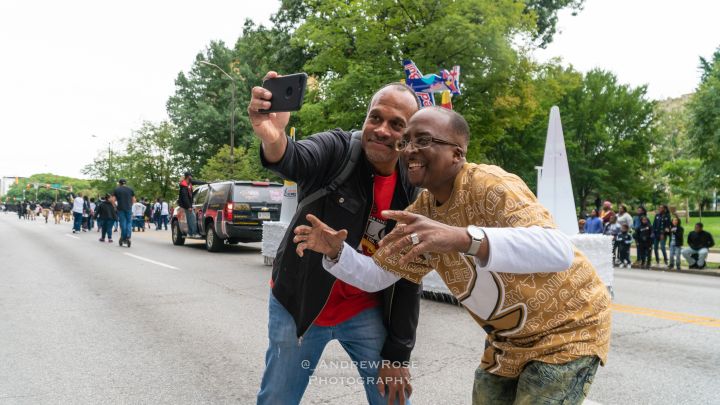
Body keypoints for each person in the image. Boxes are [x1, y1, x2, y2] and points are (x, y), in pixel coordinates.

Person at [294, 107, 611, 405]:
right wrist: (336, 251)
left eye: (423, 140)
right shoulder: (422, 212)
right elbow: (378, 275)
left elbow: (557, 250)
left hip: (569, 330)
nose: (409, 150)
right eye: (406, 142)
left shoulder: (490, 185)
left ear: (457, 154)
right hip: (508, 341)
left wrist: (462, 238)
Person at [250, 74, 422, 405]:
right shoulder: (338, 149)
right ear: (366, 117)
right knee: (277, 399)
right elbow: (295, 158)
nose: (382, 130)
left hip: (364, 309)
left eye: (396, 124)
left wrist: (398, 356)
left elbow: (408, 277)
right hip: (299, 303)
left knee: (393, 399)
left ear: (410, 135)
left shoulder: (413, 188)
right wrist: (273, 139)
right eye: (376, 117)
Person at [178, 172, 205, 237]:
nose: (192, 177)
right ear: (188, 177)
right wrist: (189, 207)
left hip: (188, 204)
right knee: (193, 218)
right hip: (186, 205)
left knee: (189, 218)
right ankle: (194, 233)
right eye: (191, 176)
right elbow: (185, 197)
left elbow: (197, 182)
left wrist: (206, 182)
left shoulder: (189, 183)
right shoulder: (184, 186)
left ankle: (189, 233)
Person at [113, 179, 135, 247]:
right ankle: (128, 236)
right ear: (125, 183)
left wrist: (115, 207)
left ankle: (123, 237)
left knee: (123, 223)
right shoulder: (130, 189)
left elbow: (112, 200)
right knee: (129, 222)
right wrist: (131, 206)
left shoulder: (117, 189)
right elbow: (134, 199)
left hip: (121, 208)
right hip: (128, 208)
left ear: (119, 183)